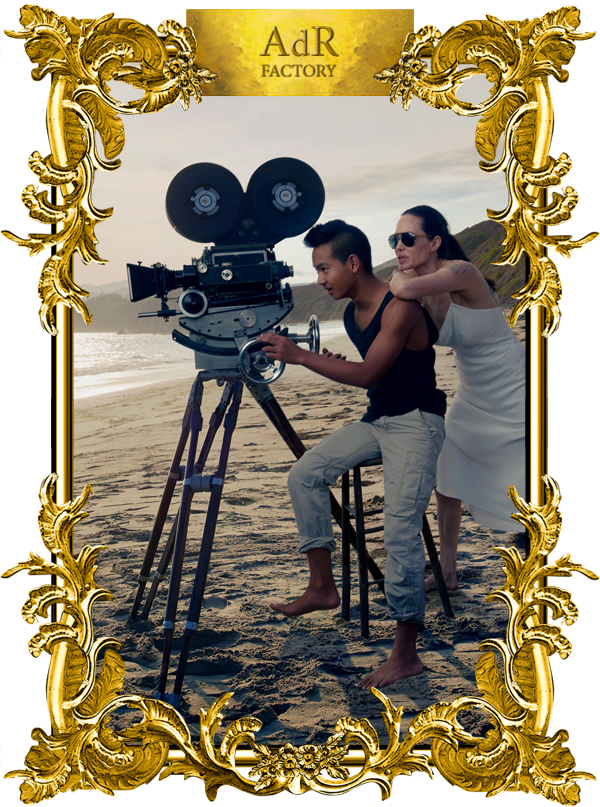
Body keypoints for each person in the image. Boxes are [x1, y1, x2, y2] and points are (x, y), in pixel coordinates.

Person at [259, 220, 446, 688]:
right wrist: (334, 364)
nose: (320, 278)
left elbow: (367, 375)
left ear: (354, 263)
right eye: (317, 270)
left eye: (324, 268)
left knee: (399, 532)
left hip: (418, 422)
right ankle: (322, 587)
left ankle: (405, 655)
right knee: (304, 475)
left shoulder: (400, 307)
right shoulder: (349, 315)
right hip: (379, 420)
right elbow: (372, 374)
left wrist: (301, 356)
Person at [388, 205, 526, 594]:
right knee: (445, 473)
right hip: (472, 392)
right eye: (394, 239)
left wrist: (399, 276)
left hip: (510, 384)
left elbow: (400, 288)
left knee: (535, 470)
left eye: (407, 238)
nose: (398, 246)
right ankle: (447, 571)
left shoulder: (461, 271)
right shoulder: (419, 286)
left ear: (434, 242)